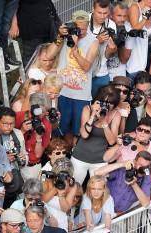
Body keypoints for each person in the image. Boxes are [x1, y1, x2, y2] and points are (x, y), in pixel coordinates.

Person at [48, 11, 100, 143]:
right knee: (62, 129)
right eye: (78, 28)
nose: (80, 32)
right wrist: (60, 36)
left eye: (84, 28)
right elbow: (49, 55)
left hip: (81, 96)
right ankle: (65, 152)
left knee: (78, 131)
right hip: (63, 92)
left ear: (88, 25)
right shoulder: (65, 36)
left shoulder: (93, 42)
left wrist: (74, 48)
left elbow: (86, 67)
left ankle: (75, 154)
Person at [72, 86, 120, 184]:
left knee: (98, 190)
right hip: (80, 157)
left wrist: (104, 122)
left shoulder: (116, 114)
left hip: (100, 160)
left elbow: (112, 141)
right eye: (105, 102)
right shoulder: (88, 109)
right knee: (74, 187)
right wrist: (93, 115)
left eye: (111, 103)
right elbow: (84, 135)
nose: (107, 106)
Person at [88, 0, 116, 98]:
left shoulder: (111, 25)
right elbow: (78, 47)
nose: (102, 16)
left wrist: (112, 49)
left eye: (105, 13)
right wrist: (97, 41)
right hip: (85, 72)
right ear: (93, 9)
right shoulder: (85, 21)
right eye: (99, 12)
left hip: (102, 72)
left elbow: (107, 55)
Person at [125, 0, 151, 79]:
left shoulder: (149, 10)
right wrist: (145, 18)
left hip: (142, 60)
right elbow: (135, 29)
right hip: (131, 63)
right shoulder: (135, 7)